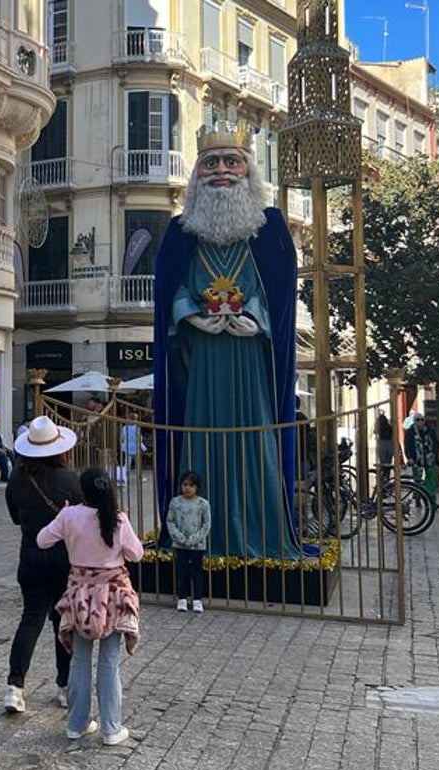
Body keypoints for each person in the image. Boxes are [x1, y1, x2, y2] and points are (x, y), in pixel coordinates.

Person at [152, 121, 301, 561]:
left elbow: (279, 295)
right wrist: (193, 317)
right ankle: (197, 535)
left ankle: (262, 532)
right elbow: (172, 294)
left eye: (231, 161)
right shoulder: (182, 234)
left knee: (254, 436)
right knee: (202, 435)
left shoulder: (270, 229)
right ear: (197, 173)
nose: (221, 171)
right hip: (202, 361)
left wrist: (255, 318)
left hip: (250, 356)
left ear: (248, 170)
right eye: (211, 163)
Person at [38, 467, 142, 745]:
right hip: (113, 594)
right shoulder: (118, 519)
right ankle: (110, 728)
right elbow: (137, 553)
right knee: (109, 661)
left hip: (79, 595)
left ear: (82, 490)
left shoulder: (69, 515)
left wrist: (66, 517)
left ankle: (77, 723)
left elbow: (42, 540)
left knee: (80, 660)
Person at [3, 415, 82, 713]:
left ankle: (14, 686)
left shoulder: (17, 480)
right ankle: (64, 686)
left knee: (30, 619)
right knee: (62, 622)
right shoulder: (70, 480)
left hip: (31, 555)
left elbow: (14, 518)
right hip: (63, 557)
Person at [166, 470, 211, 614]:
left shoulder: (203, 504)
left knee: (196, 572)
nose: (187, 488)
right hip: (180, 544)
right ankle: (182, 598)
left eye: (191, 485)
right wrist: (180, 538)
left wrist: (193, 539)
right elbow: (170, 521)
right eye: (185, 484)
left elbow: (206, 524)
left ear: (197, 487)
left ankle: (197, 599)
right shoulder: (175, 502)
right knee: (182, 571)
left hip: (197, 545)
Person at [404, 413, 439, 504]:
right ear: (414, 421)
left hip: (430, 459)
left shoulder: (430, 430)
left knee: (431, 480)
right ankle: (417, 498)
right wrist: (410, 457)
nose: (420, 422)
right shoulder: (410, 432)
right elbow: (407, 446)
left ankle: (432, 500)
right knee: (417, 479)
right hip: (417, 459)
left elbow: (436, 443)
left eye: (421, 419)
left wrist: (434, 454)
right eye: (417, 420)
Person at [375, 410, 394, 486]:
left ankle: (381, 481)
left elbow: (375, 432)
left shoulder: (379, 427)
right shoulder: (389, 426)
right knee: (388, 464)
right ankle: (387, 480)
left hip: (381, 444)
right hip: (389, 444)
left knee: (382, 464)